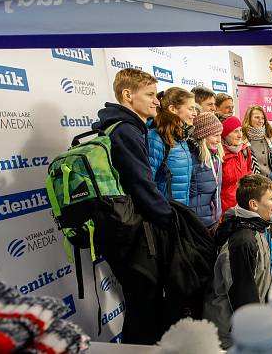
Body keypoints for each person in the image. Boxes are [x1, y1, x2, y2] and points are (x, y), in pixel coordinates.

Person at [92, 68, 174, 344]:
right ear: (127, 95)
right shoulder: (126, 130)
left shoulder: (121, 127)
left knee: (144, 303)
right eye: (150, 95)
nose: (157, 101)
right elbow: (141, 185)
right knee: (144, 305)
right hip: (128, 232)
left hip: (122, 228)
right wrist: (171, 220)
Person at [204, 174, 272, 349]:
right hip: (232, 332)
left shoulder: (257, 228)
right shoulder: (243, 241)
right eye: (271, 199)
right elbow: (241, 292)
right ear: (253, 205)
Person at [147, 87, 196, 207]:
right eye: (191, 109)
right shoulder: (156, 137)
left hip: (179, 212)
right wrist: (163, 213)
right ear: (173, 109)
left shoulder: (181, 137)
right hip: (164, 214)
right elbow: (147, 183)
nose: (195, 113)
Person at [188, 112, 224, 229]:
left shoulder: (216, 157)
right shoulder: (192, 159)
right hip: (196, 222)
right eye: (215, 135)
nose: (219, 140)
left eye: (220, 135)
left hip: (213, 219)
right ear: (202, 136)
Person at [221, 116, 253, 219]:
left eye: (240, 130)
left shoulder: (244, 150)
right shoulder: (219, 154)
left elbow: (248, 175)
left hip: (243, 208)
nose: (240, 135)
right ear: (225, 134)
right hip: (225, 212)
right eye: (235, 131)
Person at [242, 105, 272, 175]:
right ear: (248, 119)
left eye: (262, 118)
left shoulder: (270, 139)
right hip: (254, 182)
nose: (261, 121)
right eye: (257, 117)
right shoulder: (243, 141)